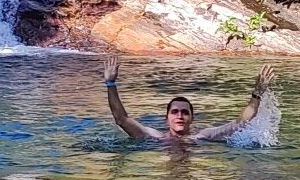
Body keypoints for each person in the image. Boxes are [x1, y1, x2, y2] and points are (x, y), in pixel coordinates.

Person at [103, 55, 275, 142]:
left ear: (192, 118)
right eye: (175, 112)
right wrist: (110, 83)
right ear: (166, 118)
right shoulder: (155, 138)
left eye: (185, 112)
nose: (179, 116)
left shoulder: (203, 137)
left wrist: (257, 94)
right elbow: (121, 119)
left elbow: (241, 123)